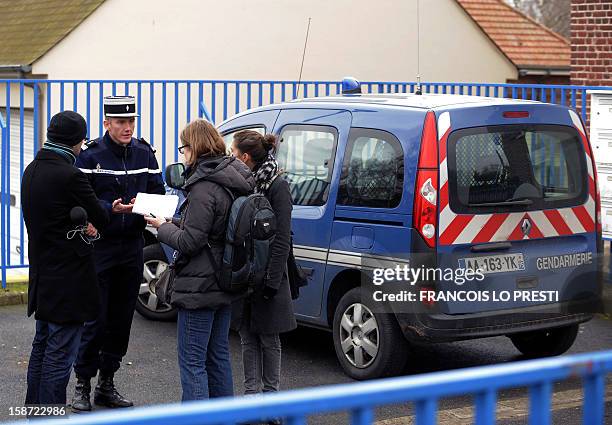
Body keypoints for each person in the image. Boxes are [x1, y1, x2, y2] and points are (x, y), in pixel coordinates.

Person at [145, 119, 254, 401]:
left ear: (194, 148)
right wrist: (177, 221)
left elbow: (191, 242)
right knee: (217, 356)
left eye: (183, 148)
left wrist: (162, 227)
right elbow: (211, 228)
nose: (182, 154)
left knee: (193, 362)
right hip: (226, 277)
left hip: (199, 285)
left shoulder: (205, 186)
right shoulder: (232, 176)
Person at [71, 96, 165, 411]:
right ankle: (83, 384)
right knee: (94, 320)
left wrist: (150, 206)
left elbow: (158, 191)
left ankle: (107, 384)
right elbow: (76, 199)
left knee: (121, 320)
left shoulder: (144, 152)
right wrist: (106, 209)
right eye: (120, 122)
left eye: (131, 122)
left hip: (132, 247)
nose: (127, 128)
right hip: (100, 247)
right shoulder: (90, 155)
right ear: (107, 123)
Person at [22, 111, 109, 407]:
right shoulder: (71, 174)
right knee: (59, 359)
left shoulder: (32, 168)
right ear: (77, 141)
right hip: (68, 283)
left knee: (41, 350)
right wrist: (101, 216)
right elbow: (100, 217)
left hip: (43, 277)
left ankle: (35, 413)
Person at [231, 130, 297, 417]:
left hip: (269, 273)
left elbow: (283, 236)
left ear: (246, 157)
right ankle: (250, 397)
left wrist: (272, 279)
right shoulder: (243, 181)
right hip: (246, 271)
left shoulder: (277, 184)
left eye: (234, 154)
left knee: (269, 338)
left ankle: (270, 401)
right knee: (247, 336)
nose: (232, 158)